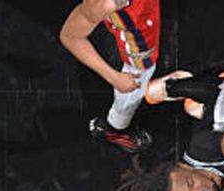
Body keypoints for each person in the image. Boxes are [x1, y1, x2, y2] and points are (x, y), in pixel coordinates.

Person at [60, 0, 160, 153]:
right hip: (138, 48)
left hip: (147, 18)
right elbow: (70, 36)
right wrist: (114, 78)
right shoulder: (104, 3)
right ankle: (114, 130)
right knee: (133, 89)